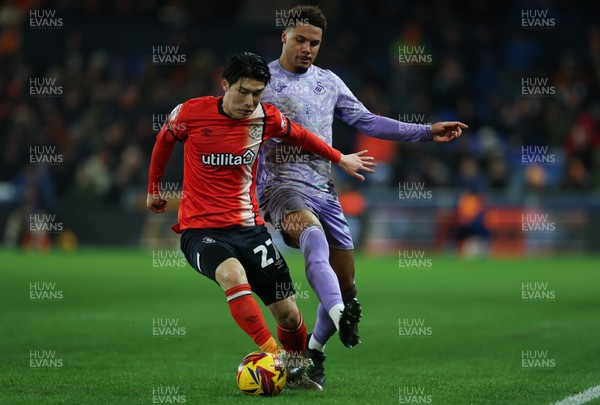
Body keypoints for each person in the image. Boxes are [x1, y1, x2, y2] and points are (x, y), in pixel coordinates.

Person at [257, 5, 467, 388]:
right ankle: (340, 314)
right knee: (312, 235)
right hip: (279, 188)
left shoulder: (329, 82)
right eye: (300, 40)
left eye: (315, 43)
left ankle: (314, 354)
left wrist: (426, 131)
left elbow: (368, 121)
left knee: (347, 283)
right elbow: (233, 118)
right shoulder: (262, 80)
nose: (307, 48)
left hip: (324, 190)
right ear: (283, 37)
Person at [146, 52, 374, 390]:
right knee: (232, 274)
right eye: (242, 92)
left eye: (256, 93)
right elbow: (164, 140)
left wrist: (340, 158)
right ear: (224, 84)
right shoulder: (191, 113)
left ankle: (296, 370)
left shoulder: (265, 117)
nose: (248, 101)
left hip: (250, 230)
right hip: (201, 230)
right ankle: (273, 358)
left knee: (289, 312)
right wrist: (153, 188)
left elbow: (301, 136)